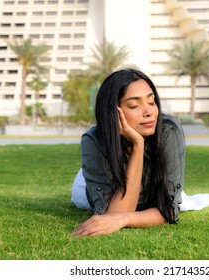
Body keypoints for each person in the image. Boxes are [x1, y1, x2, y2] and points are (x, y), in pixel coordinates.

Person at [71, 68, 185, 237]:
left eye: (152, 102)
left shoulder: (168, 130)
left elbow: (168, 209)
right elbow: (110, 216)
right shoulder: (94, 140)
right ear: (114, 112)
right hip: (102, 180)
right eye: (134, 105)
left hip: (148, 192)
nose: (149, 112)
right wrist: (137, 146)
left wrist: (125, 219)